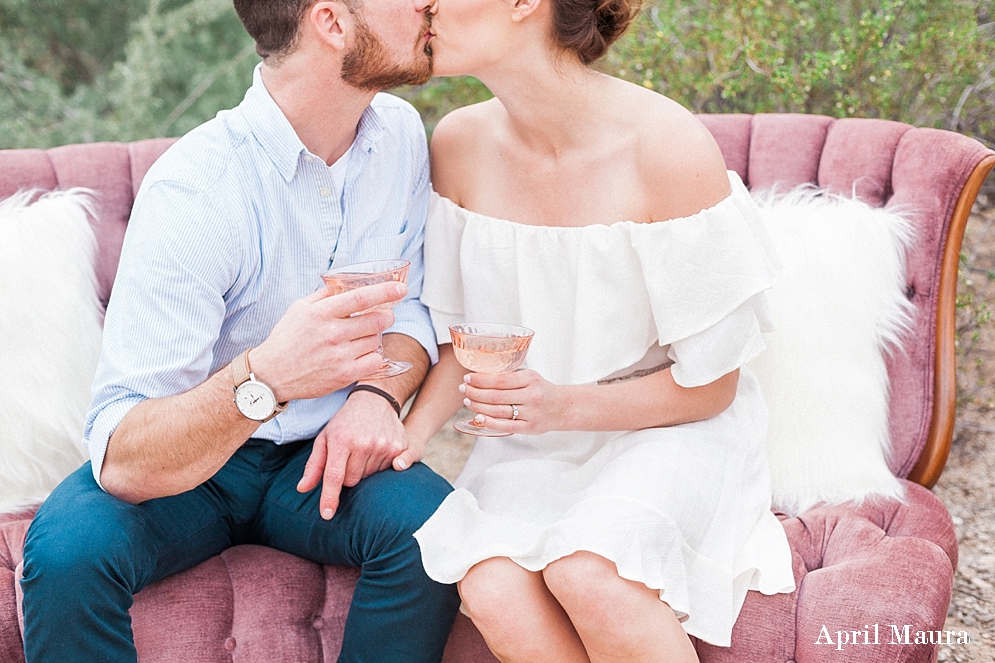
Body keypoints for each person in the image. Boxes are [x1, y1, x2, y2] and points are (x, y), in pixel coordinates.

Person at [19, 1, 461, 662]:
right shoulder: (196, 190)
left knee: (437, 529)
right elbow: (125, 454)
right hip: (192, 462)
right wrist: (268, 376)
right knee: (66, 555)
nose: (429, 3)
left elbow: (413, 312)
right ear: (331, 22)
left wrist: (374, 395)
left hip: (319, 456)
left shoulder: (398, 136)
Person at [392, 0, 797, 661]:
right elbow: (461, 342)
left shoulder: (665, 148)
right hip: (533, 446)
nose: (422, 4)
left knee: (591, 572)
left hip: (669, 427)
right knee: (490, 585)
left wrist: (561, 404)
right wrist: (402, 436)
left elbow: (712, 386)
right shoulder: (457, 144)